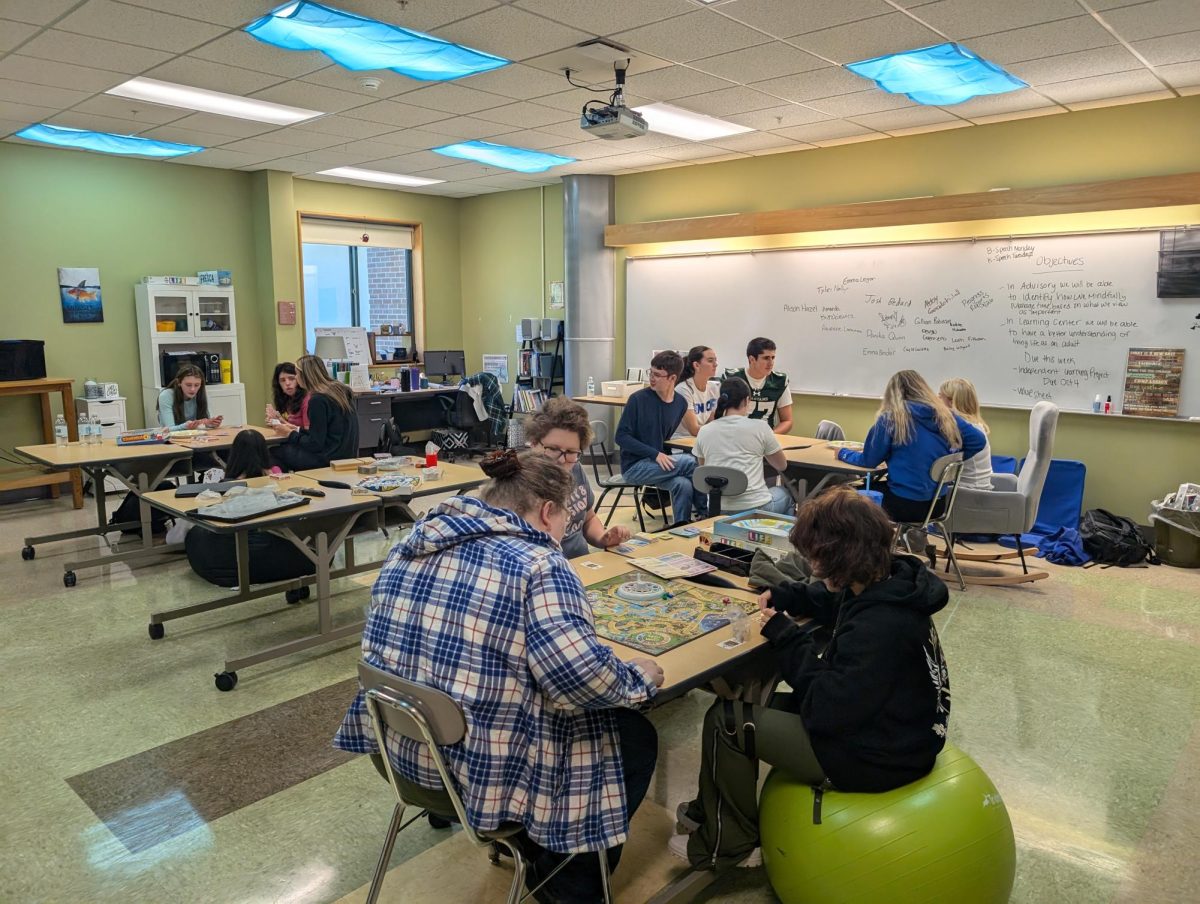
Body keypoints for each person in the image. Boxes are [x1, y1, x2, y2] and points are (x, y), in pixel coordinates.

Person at [334, 450, 663, 904]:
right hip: (481, 779)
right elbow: (581, 682)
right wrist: (639, 677)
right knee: (634, 735)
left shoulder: (414, 540)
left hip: (399, 756)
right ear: (547, 511)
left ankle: (540, 855)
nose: (561, 534)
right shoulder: (538, 565)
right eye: (564, 521)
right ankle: (563, 882)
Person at [670, 487, 950, 870]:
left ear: (842, 556)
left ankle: (728, 846)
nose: (813, 567)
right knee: (745, 702)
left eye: (817, 558)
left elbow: (822, 709)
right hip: (891, 727)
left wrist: (787, 636)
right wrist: (789, 595)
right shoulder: (889, 582)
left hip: (881, 756)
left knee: (727, 722)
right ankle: (713, 808)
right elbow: (837, 603)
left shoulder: (880, 625)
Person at [837, 370, 986, 524]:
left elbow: (868, 461)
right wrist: (952, 460)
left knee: (844, 497)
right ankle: (910, 538)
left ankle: (865, 545)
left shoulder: (891, 418)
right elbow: (978, 440)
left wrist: (843, 453)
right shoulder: (945, 415)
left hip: (902, 504)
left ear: (892, 393)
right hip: (938, 504)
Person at [183, 429, 315, 587]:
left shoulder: (223, 486)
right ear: (264, 453)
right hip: (254, 551)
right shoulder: (275, 485)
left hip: (211, 557)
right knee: (315, 552)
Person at [526, 396, 631, 558]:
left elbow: (588, 519)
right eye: (553, 449)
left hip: (582, 564)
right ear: (533, 443)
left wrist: (603, 537)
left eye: (571, 452)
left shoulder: (575, 468)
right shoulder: (519, 485)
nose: (562, 459)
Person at [615, 350, 705, 525]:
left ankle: (681, 527)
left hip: (658, 464)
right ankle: (704, 514)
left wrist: (661, 456)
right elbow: (621, 437)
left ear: (672, 378)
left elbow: (663, 436)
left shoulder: (680, 403)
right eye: (651, 373)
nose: (652, 378)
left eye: (657, 375)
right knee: (691, 463)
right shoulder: (637, 400)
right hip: (634, 467)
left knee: (683, 484)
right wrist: (655, 454)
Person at [694, 377, 793, 515]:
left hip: (717, 509)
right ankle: (784, 536)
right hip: (755, 508)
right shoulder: (760, 427)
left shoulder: (704, 430)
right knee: (785, 494)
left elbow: (705, 467)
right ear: (747, 400)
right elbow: (781, 466)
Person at [271, 354, 358, 471]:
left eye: (297, 374)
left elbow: (315, 444)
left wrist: (290, 434)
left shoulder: (317, 400)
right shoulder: (342, 390)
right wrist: (296, 429)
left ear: (305, 375)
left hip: (327, 459)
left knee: (272, 452)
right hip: (348, 455)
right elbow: (325, 432)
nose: (296, 378)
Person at [724, 337, 793, 434]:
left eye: (773, 357)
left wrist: (770, 436)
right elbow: (719, 416)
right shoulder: (732, 379)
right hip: (735, 436)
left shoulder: (779, 381)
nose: (771, 363)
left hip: (764, 438)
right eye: (766, 358)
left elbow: (787, 420)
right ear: (752, 359)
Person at [938, 377, 994, 491]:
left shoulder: (960, 428)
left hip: (968, 492)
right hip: (978, 488)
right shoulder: (974, 424)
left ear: (951, 402)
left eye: (940, 396)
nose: (936, 399)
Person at [673, 345, 721, 438]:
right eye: (710, 361)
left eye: (715, 360)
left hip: (702, 439)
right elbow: (694, 430)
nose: (716, 364)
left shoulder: (714, 388)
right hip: (681, 443)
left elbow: (712, 421)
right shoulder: (683, 389)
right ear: (696, 365)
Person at [157, 364, 222, 431]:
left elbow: (204, 423)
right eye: (188, 385)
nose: (193, 389)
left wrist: (210, 424)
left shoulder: (202, 394)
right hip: (171, 439)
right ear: (179, 382)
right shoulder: (166, 396)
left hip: (196, 438)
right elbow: (168, 429)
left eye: (197, 385)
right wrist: (186, 426)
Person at [267, 361, 309, 428]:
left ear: (299, 379)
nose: (287, 383)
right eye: (282, 380)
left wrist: (282, 422)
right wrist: (275, 421)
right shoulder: (286, 399)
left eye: (291, 379)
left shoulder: (307, 400)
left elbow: (308, 433)